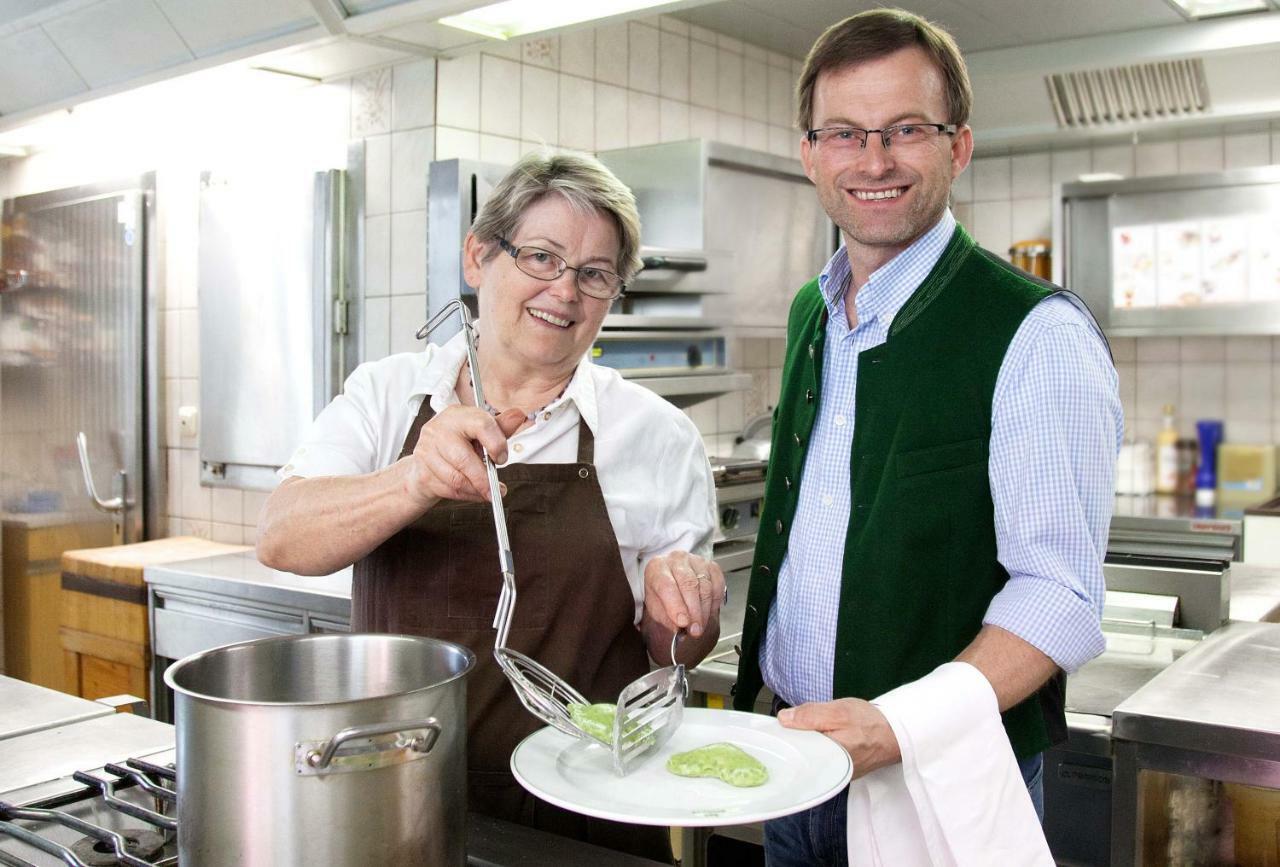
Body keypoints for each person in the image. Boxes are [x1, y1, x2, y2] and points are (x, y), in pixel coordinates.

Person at [731, 9, 1122, 865]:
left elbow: (1059, 595)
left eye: (906, 128)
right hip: (796, 766)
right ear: (809, 153)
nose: (873, 160)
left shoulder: (1033, 332)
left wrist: (895, 725)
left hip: (944, 780)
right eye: (843, 133)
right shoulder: (812, 311)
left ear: (960, 145)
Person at [257, 151, 726, 862]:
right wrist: (414, 479)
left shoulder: (657, 435)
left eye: (595, 274)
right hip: (393, 800)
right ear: (478, 257)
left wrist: (685, 616)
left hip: (583, 816)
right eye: (541, 257)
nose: (564, 292)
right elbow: (282, 537)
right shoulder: (388, 397)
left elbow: (672, 656)